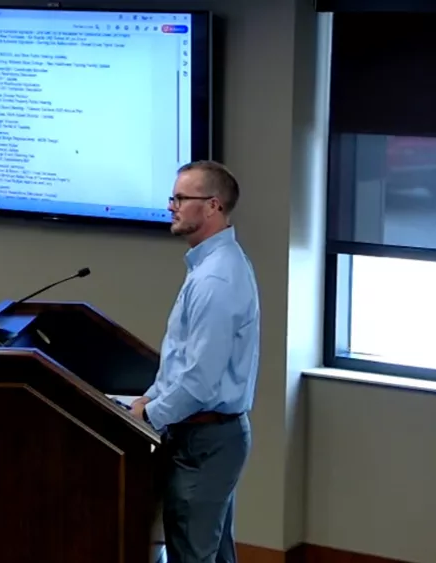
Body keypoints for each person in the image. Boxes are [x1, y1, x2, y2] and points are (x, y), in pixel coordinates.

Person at [129, 160, 260, 563]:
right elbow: (180, 361)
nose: (172, 206)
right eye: (174, 197)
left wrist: (149, 415)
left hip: (206, 441)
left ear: (213, 207)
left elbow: (199, 382)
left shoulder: (214, 281)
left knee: (193, 555)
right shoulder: (209, 267)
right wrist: (148, 399)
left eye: (182, 198)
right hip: (206, 437)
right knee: (212, 555)